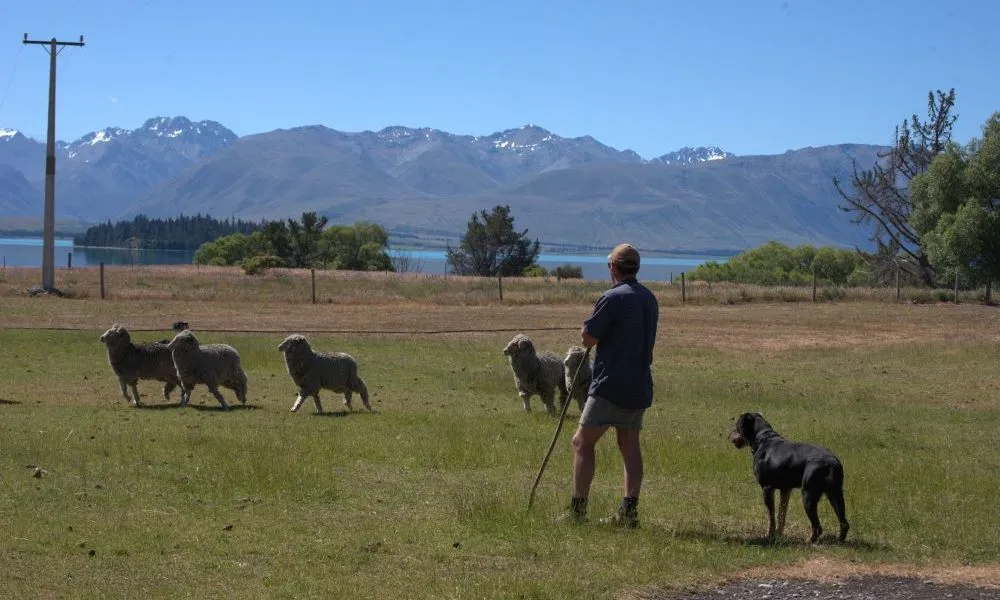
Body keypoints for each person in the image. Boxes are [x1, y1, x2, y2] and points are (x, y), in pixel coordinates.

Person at [563, 243, 659, 528]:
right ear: (636, 268)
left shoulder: (612, 297)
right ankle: (629, 512)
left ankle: (577, 512)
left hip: (610, 385)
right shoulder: (649, 298)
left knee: (581, 442)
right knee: (629, 444)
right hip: (639, 384)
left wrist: (585, 330)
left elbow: (588, 338)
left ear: (613, 268)